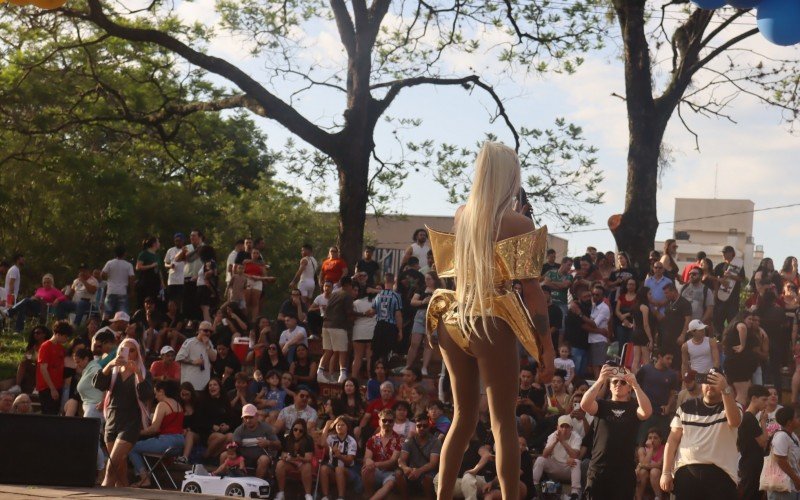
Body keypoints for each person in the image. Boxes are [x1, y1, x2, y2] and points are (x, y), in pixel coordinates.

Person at [426, 142, 555, 500]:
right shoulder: (518, 221)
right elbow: (531, 290)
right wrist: (547, 348)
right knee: (503, 425)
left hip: (454, 317)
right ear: (508, 176)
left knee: (462, 418)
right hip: (492, 319)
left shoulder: (462, 214)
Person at [660, 369, 742, 500]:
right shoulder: (685, 407)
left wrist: (726, 390)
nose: (709, 385)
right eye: (706, 381)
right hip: (686, 474)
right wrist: (666, 472)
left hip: (721, 476)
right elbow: (673, 440)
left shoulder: (733, 406)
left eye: (714, 381)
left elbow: (735, 421)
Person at [580, 364, 653, 499]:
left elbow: (647, 412)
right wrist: (600, 380)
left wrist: (636, 385)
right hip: (598, 469)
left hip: (624, 472)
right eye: (615, 381)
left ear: (629, 386)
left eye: (623, 382)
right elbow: (584, 405)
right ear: (609, 385)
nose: (618, 384)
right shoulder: (602, 405)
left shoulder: (634, 408)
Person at [93, 338, 153, 487]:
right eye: (123, 350)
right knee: (120, 470)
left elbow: (146, 396)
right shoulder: (113, 371)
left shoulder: (144, 373)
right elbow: (98, 384)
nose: (127, 353)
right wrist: (109, 365)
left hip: (131, 422)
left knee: (111, 466)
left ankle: (102, 495)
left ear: (137, 353)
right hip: (112, 420)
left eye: (132, 350)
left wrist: (138, 373)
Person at [129, 379, 185, 488]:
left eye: (156, 393)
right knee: (145, 447)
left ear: (162, 391)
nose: (155, 396)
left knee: (132, 447)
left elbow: (154, 429)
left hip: (167, 442)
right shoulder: (178, 404)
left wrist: (137, 432)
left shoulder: (162, 404)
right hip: (179, 442)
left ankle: (144, 479)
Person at [531, 414, 582, 499]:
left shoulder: (576, 437)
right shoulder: (552, 436)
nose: (564, 429)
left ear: (571, 428)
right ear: (557, 427)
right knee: (540, 459)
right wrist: (555, 442)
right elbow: (544, 454)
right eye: (562, 426)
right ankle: (534, 486)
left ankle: (575, 493)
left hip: (567, 468)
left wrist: (562, 441)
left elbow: (575, 455)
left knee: (576, 462)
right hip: (554, 467)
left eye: (567, 427)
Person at [635, 349, 679, 442]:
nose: (670, 361)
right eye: (668, 358)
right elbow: (635, 385)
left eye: (671, 359)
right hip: (646, 414)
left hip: (662, 415)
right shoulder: (646, 369)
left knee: (663, 443)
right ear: (659, 357)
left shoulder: (672, 375)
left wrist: (668, 406)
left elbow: (673, 393)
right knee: (641, 442)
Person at [396, 413, 441, 500]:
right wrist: (405, 468)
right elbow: (401, 459)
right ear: (415, 427)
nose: (422, 428)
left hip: (428, 471)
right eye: (419, 426)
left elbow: (433, 464)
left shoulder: (435, 442)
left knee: (428, 478)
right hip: (411, 470)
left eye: (425, 426)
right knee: (398, 474)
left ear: (429, 426)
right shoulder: (410, 440)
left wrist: (419, 471)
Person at [722, 312, 764, 405]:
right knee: (742, 395)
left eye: (753, 320)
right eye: (749, 319)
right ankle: (739, 417)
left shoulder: (734, 330)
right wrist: (742, 345)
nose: (752, 321)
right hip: (739, 366)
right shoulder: (740, 324)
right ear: (742, 318)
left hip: (738, 366)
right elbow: (742, 327)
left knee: (734, 394)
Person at [231, 403, 281, 479]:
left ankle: (256, 485)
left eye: (250, 417)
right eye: (245, 417)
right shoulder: (239, 430)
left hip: (260, 459)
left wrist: (268, 443)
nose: (248, 420)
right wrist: (235, 447)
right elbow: (232, 448)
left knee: (264, 460)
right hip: (243, 459)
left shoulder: (266, 428)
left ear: (257, 416)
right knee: (224, 455)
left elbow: (279, 445)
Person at [737, 384, 770, 500]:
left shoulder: (750, 418)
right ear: (754, 398)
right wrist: (764, 422)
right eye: (764, 400)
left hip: (752, 464)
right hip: (751, 466)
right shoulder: (749, 418)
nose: (766, 403)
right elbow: (763, 443)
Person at [362, 409, 403, 500]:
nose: (387, 423)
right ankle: (369, 494)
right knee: (365, 469)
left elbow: (392, 461)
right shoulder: (372, 439)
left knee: (390, 484)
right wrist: (368, 461)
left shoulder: (399, 440)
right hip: (375, 471)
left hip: (391, 472)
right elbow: (367, 458)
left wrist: (373, 464)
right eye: (384, 420)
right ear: (379, 421)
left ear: (394, 422)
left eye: (390, 421)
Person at [274, 418, 316, 500]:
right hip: (290, 463)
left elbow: (308, 458)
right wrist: (286, 457)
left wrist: (298, 458)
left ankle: (308, 495)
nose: (297, 432)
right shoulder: (288, 439)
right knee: (280, 464)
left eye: (301, 431)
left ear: (304, 431)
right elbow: (283, 454)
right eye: (295, 429)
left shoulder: (308, 440)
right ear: (292, 429)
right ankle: (281, 493)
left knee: (307, 466)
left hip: (302, 464)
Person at [36, 320, 72, 414]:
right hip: (47, 388)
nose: (66, 339)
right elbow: (43, 368)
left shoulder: (61, 348)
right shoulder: (45, 346)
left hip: (58, 386)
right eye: (65, 336)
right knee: (48, 414)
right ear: (58, 334)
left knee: (55, 414)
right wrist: (52, 388)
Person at [319, 416, 358, 500]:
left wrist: (339, 456)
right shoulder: (331, 438)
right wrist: (326, 426)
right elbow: (322, 444)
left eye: (342, 425)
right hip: (332, 468)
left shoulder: (351, 441)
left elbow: (349, 461)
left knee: (339, 469)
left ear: (347, 427)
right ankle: (325, 496)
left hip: (348, 471)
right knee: (323, 468)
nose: (340, 427)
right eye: (338, 425)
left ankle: (341, 497)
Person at [766, 406, 800, 500]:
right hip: (781, 488)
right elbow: (781, 461)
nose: (798, 419)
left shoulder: (792, 435)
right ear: (789, 422)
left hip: (792, 487)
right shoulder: (781, 437)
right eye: (796, 417)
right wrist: (797, 480)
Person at [371, 273, 403, 367]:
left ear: (384, 281)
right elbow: (398, 314)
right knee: (387, 352)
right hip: (390, 326)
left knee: (375, 352)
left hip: (379, 325)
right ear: (394, 282)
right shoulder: (396, 296)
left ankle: (373, 374)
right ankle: (385, 371)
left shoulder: (378, 295)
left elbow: (373, 311)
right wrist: (400, 330)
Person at [175, 320, 218, 390]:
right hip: (190, 384)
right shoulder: (190, 342)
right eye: (206, 331)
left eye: (211, 332)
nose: (208, 333)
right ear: (199, 331)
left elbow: (214, 358)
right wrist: (193, 362)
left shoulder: (209, 343)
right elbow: (179, 358)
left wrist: (207, 345)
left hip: (204, 384)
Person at [102, 245, 135, 319]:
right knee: (123, 315)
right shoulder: (128, 265)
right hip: (122, 292)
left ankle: (104, 326)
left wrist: (109, 278)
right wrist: (132, 291)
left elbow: (102, 274)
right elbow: (132, 278)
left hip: (111, 291)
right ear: (124, 253)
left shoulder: (110, 263)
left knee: (107, 313)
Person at [635, 428, 665, 500]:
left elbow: (659, 465)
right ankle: (638, 497)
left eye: (655, 438)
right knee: (642, 472)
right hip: (644, 472)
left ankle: (658, 497)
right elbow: (644, 463)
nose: (652, 440)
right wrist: (651, 449)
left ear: (660, 439)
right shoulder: (642, 450)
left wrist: (642, 465)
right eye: (650, 438)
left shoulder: (665, 449)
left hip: (659, 473)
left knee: (654, 471)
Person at [134, 236, 163, 311]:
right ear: (154, 244)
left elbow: (158, 269)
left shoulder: (157, 255)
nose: (159, 244)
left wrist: (162, 283)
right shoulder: (144, 254)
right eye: (158, 242)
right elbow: (138, 267)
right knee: (144, 300)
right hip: (146, 281)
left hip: (155, 281)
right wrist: (151, 265)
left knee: (155, 301)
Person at [631, 286, 656, 373]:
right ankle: (645, 381)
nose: (651, 296)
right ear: (644, 295)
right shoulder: (644, 307)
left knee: (636, 359)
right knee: (646, 360)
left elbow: (634, 324)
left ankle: (633, 379)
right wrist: (650, 339)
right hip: (643, 334)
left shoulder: (635, 306)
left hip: (636, 333)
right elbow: (646, 324)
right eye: (649, 294)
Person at [164, 233, 189, 309]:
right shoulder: (170, 250)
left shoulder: (186, 250)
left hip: (182, 280)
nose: (177, 242)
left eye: (179, 240)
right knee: (172, 301)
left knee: (181, 301)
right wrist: (170, 266)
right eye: (176, 241)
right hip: (172, 280)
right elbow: (165, 263)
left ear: (183, 241)